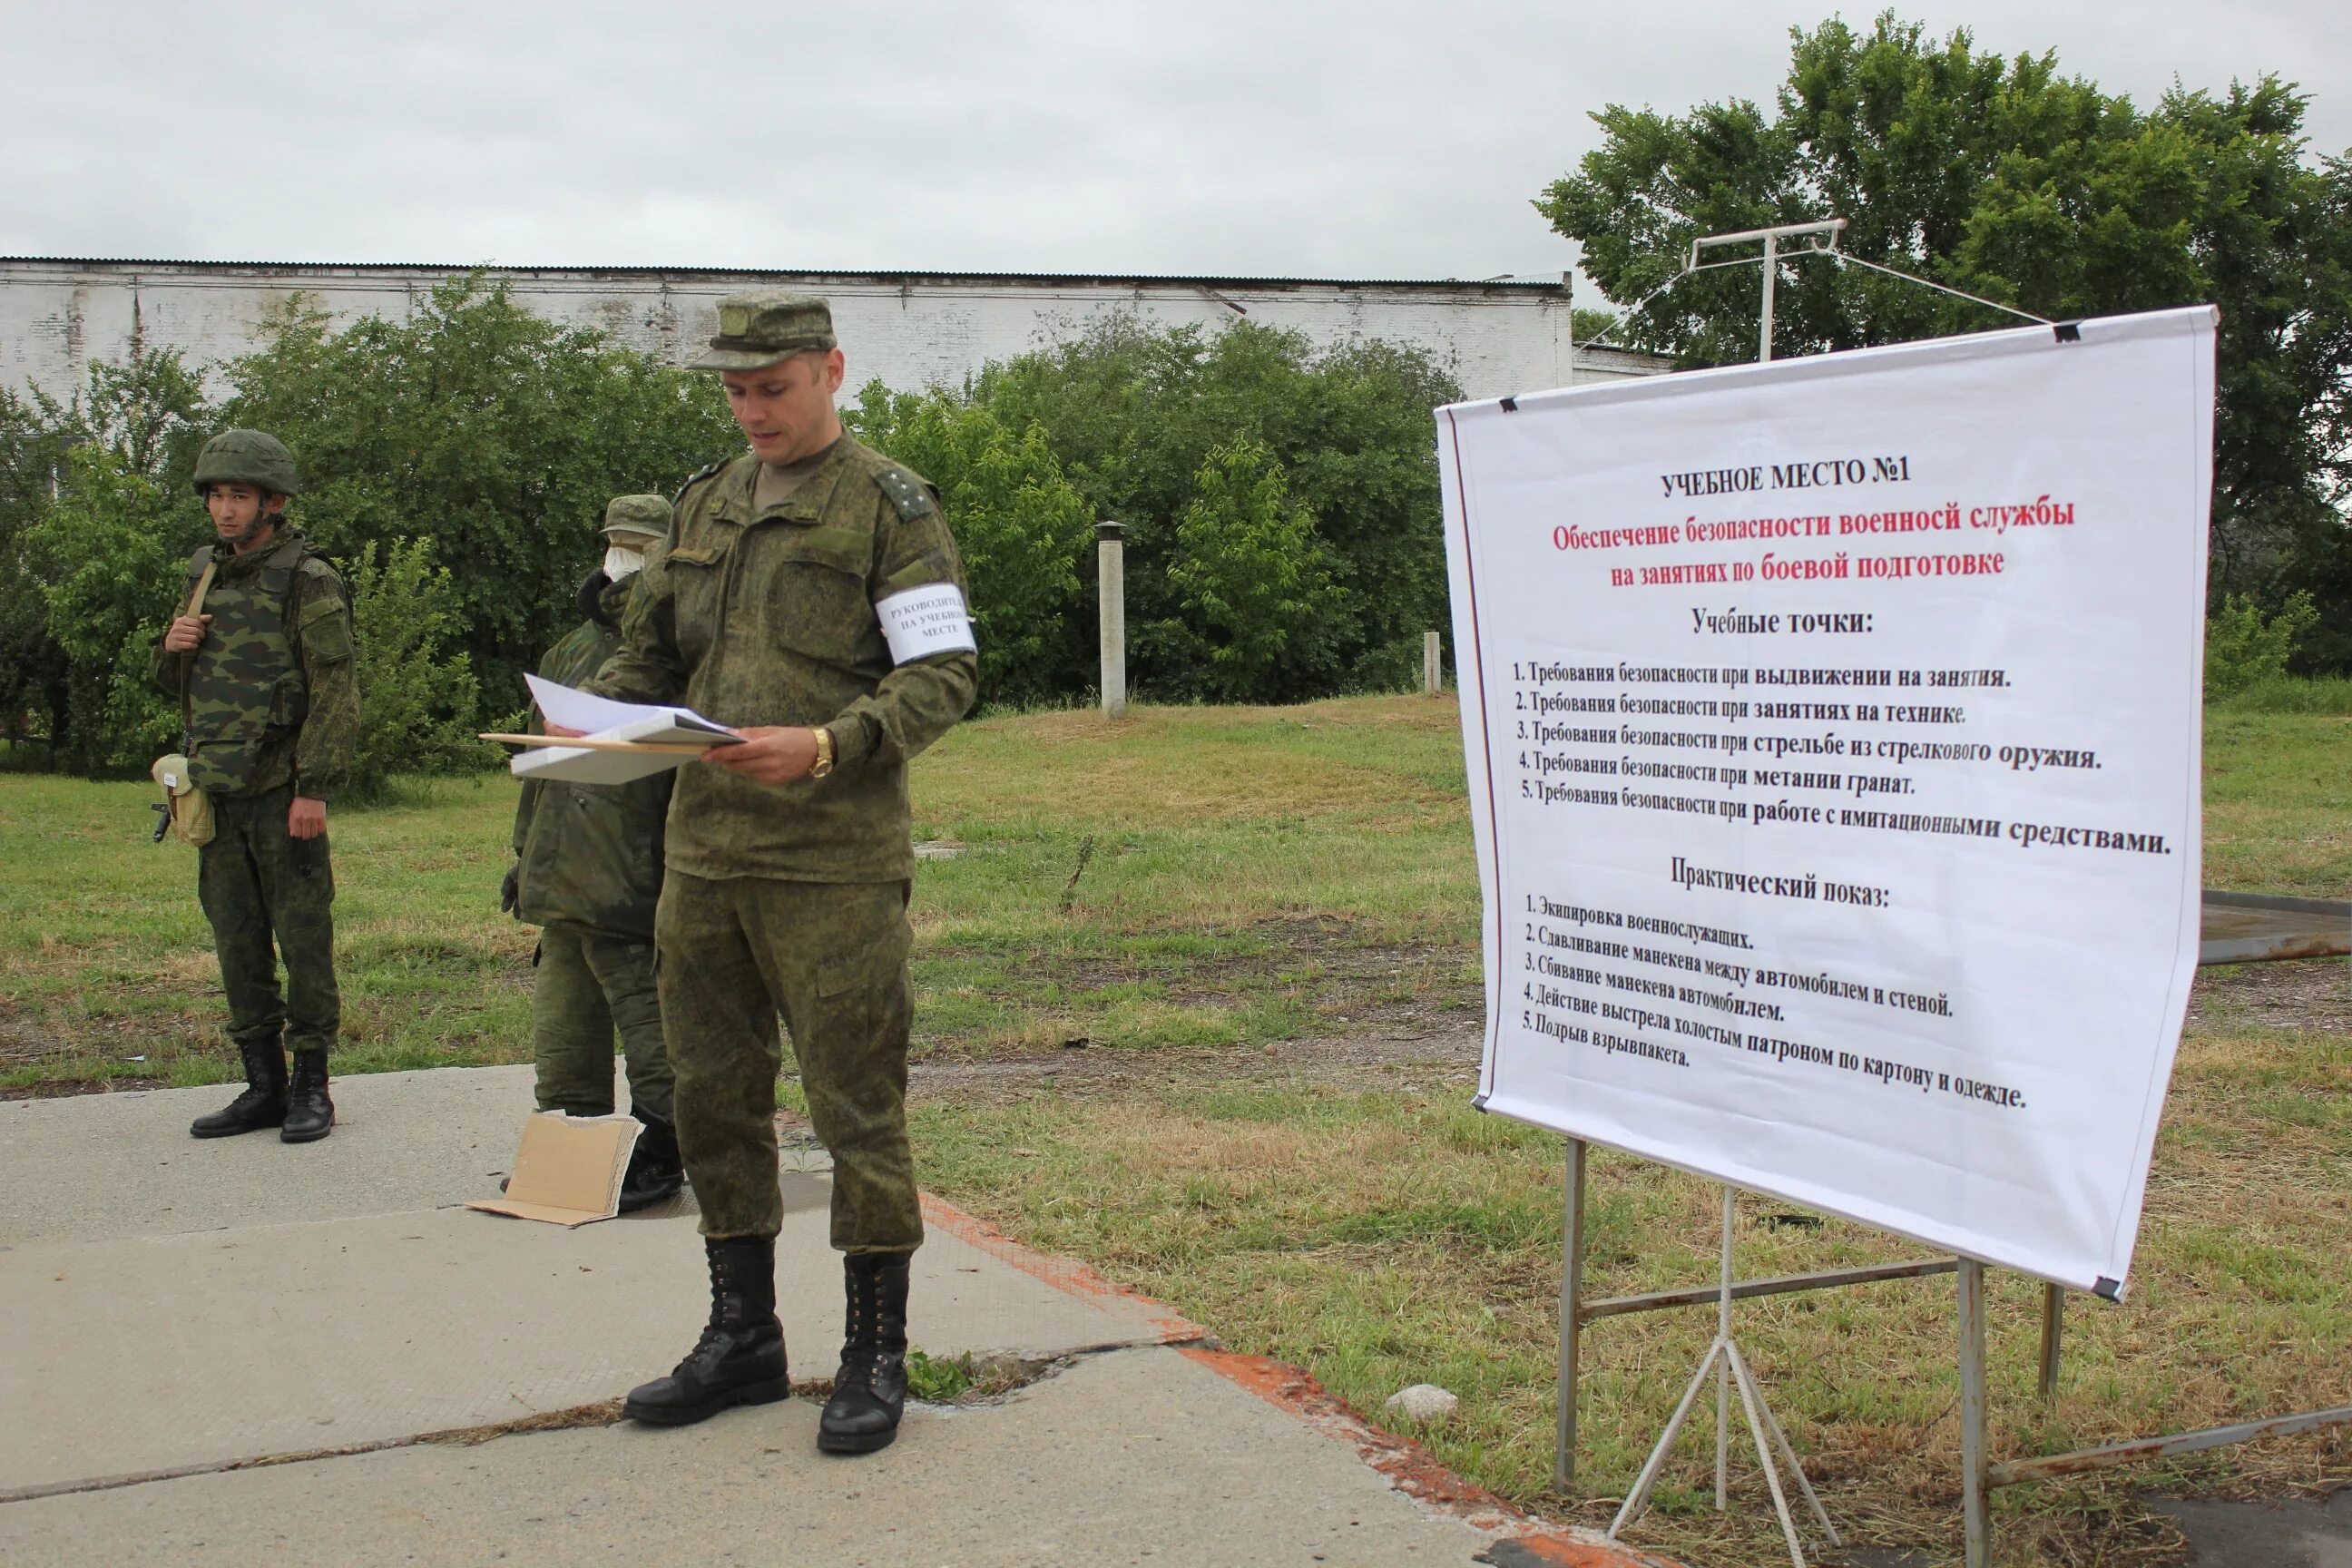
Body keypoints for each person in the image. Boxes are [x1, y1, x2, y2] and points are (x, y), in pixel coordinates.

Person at [571, 291, 976, 1455]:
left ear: (832, 371)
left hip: (832, 865)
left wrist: (832, 744)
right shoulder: (702, 502)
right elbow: (655, 653)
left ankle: (873, 1351)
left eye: (774, 388)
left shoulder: (890, 508)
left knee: (857, 1108)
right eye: (737, 391)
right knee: (711, 1098)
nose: (753, 410)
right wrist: (594, 724)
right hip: (702, 858)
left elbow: (943, 674)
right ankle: (743, 1337)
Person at [158, 429, 358, 1144]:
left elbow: (336, 690)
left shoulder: (308, 577)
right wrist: (171, 649)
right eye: (216, 495)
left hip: (282, 788)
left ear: (272, 502)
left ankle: (312, 1086)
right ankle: (262, 1084)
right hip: (219, 786)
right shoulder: (205, 572)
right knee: (236, 937)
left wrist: (316, 788)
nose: (224, 509)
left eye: (238, 496)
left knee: (303, 938)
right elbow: (180, 687)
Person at [501, 495, 684, 1210]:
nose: (623, 561)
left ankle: (662, 1153)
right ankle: (571, 1152)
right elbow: (538, 766)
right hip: (561, 876)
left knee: (653, 1029)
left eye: (640, 550)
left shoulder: (682, 648)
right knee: (564, 1031)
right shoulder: (570, 649)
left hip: (635, 877)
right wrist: (526, 856)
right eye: (617, 545)